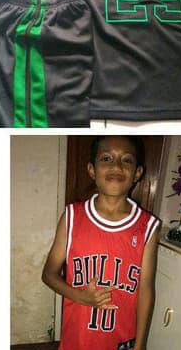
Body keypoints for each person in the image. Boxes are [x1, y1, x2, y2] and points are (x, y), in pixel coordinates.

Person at [42, 135, 160, 350]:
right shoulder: (72, 217)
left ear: (137, 173)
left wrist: (141, 344)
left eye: (126, 160)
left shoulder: (148, 226)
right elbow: (48, 274)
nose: (116, 166)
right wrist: (80, 297)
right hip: (78, 339)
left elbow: (146, 289)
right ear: (92, 170)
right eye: (106, 158)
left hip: (122, 340)